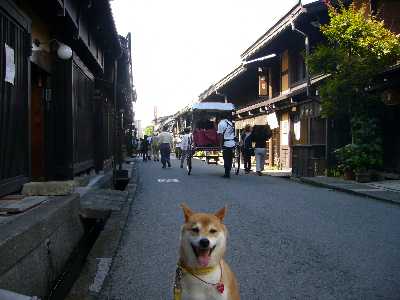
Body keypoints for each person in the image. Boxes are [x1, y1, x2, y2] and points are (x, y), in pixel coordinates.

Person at [217, 112, 236, 178]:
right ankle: (228, 171)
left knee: (226, 158)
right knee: (230, 158)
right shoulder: (230, 123)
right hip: (232, 143)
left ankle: (227, 173)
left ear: (220, 117)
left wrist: (220, 145)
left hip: (226, 143)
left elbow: (221, 135)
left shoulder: (221, 123)